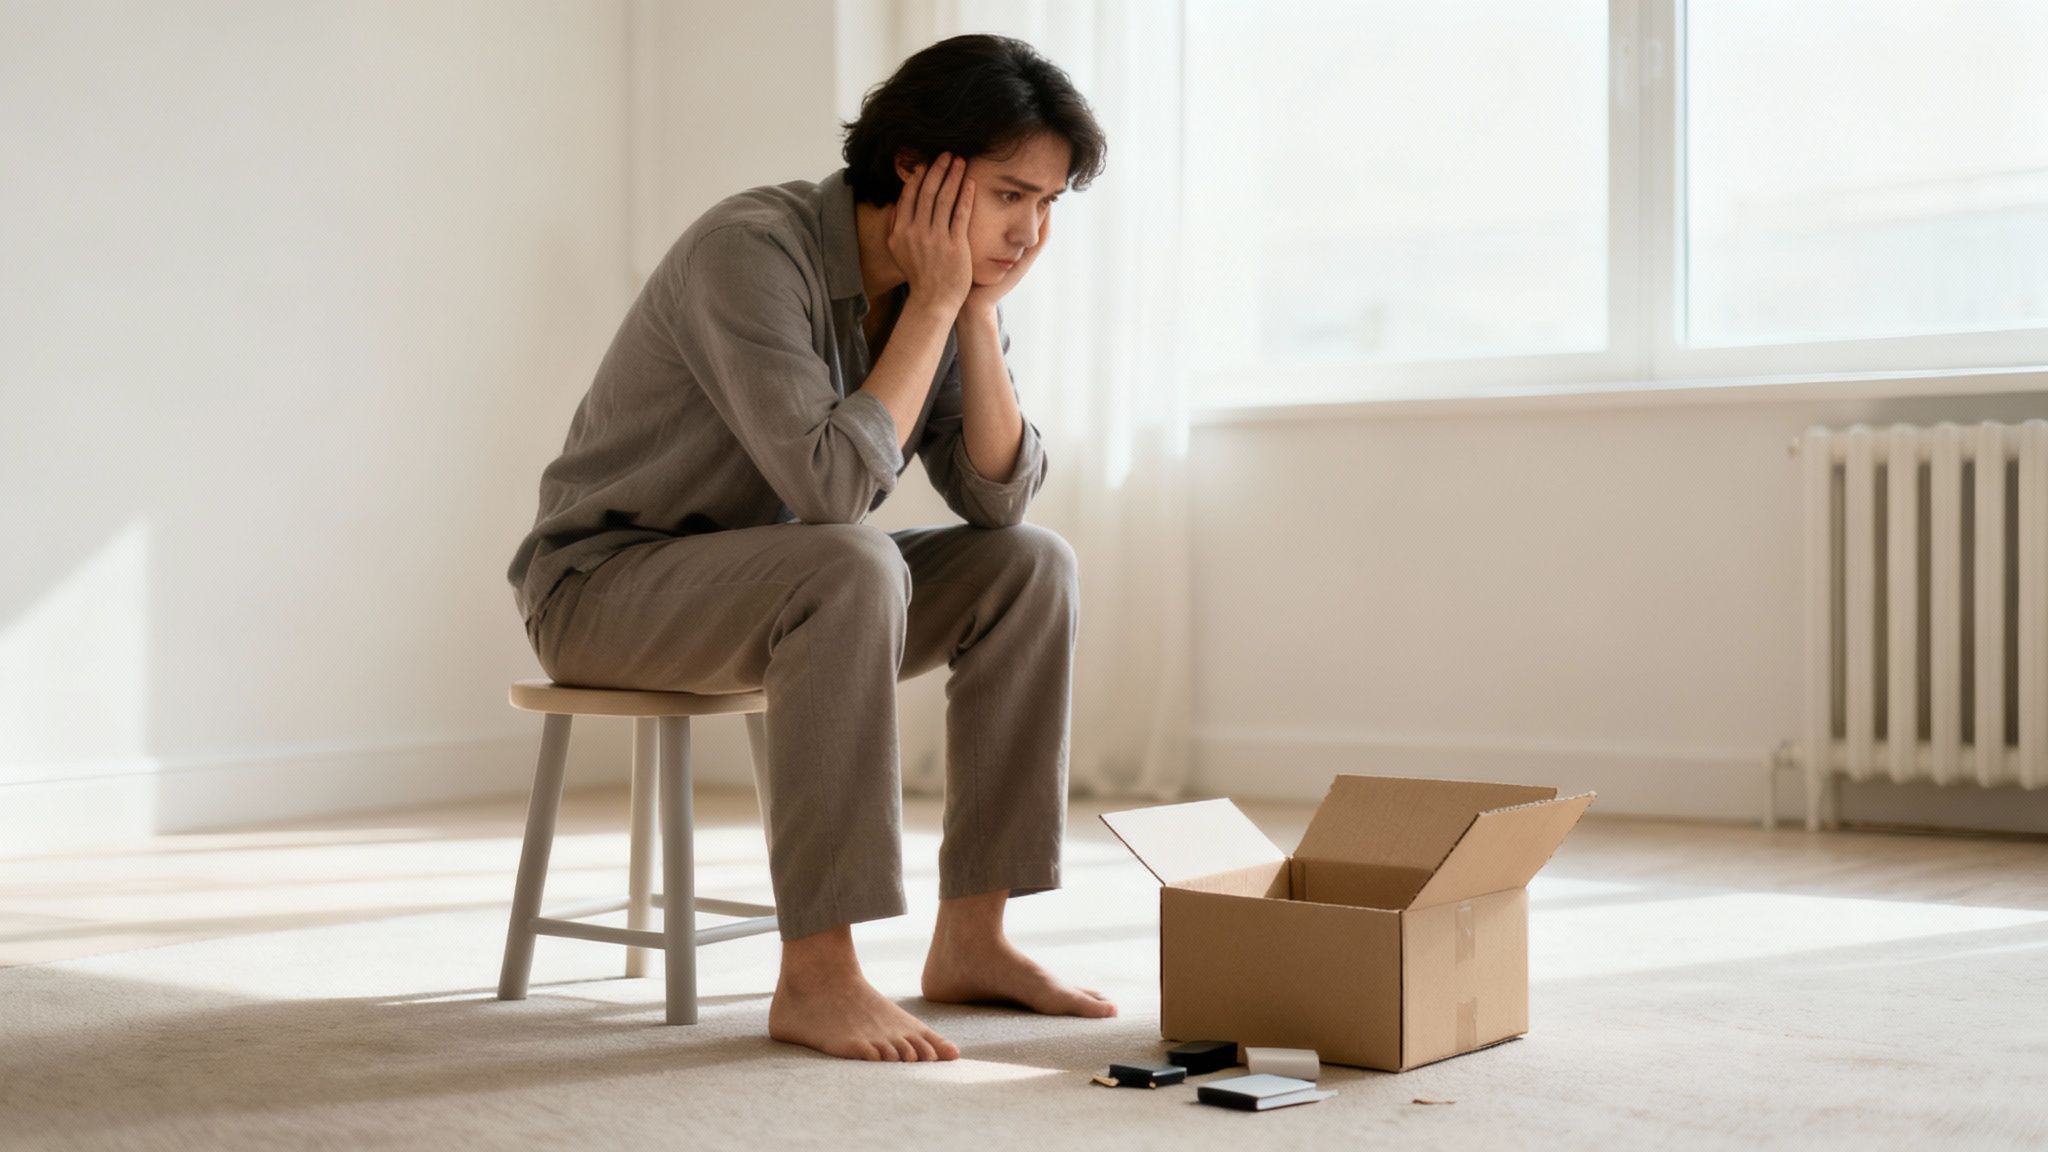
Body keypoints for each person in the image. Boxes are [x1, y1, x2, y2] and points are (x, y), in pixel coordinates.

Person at [505, 33, 1112, 1062]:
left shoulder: (945, 287)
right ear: (917, 168)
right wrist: (936, 303)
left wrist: (970, 315)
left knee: (1032, 567)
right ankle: (818, 975)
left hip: (784, 587)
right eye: (1011, 195)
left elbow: (996, 498)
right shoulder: (747, 252)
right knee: (850, 559)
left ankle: (975, 938)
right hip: (601, 591)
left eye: (1048, 204)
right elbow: (831, 490)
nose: (1030, 233)